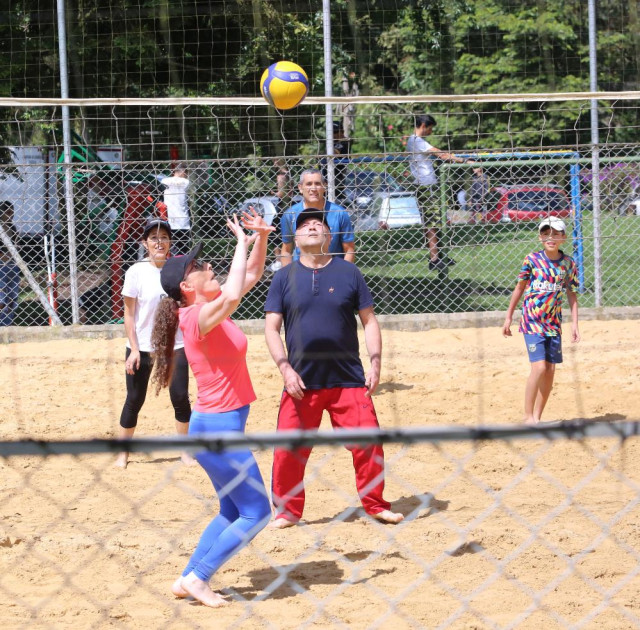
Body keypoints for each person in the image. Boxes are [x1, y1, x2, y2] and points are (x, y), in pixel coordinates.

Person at [150, 210, 273, 607]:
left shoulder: (208, 307)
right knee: (257, 512)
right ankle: (201, 578)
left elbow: (248, 278)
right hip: (219, 428)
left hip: (215, 424)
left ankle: (187, 576)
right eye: (200, 267)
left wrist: (260, 237)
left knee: (231, 508)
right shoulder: (194, 317)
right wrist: (240, 242)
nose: (209, 266)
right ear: (187, 285)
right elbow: (236, 292)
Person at [264, 208, 404, 528]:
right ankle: (287, 511)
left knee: (369, 441)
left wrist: (376, 361)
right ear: (295, 240)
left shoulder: (348, 272)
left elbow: (369, 321)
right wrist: (285, 369)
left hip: (348, 378)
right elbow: (271, 328)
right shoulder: (284, 276)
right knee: (289, 448)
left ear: (330, 237)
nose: (312, 227)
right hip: (301, 380)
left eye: (319, 224)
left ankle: (375, 504)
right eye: (304, 225)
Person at [115, 217, 192, 469]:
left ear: (170, 241)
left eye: (164, 237)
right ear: (145, 243)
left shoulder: (179, 268)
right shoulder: (136, 271)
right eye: (154, 238)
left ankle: (185, 452)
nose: (160, 242)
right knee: (135, 398)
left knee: (180, 396)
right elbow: (129, 314)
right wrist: (134, 349)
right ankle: (123, 453)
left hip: (175, 344)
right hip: (143, 345)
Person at [502, 216, 580, 425]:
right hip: (532, 321)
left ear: (563, 237)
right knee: (538, 368)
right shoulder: (532, 260)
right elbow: (519, 287)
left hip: (553, 324)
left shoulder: (568, 263)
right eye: (546, 233)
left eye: (555, 233)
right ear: (540, 237)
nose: (550, 237)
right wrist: (509, 316)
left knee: (550, 369)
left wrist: (574, 324)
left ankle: (537, 416)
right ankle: (528, 417)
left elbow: (572, 294)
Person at [407, 114, 475, 271]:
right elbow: (442, 154)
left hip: (427, 186)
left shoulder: (415, 141)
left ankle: (437, 255)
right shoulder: (417, 141)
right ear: (423, 125)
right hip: (426, 187)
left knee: (437, 220)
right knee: (432, 221)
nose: (431, 132)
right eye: (430, 128)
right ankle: (435, 258)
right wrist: (465, 161)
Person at [279, 168, 355, 267]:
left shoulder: (339, 213)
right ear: (300, 188)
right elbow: (286, 251)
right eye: (309, 184)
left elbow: (349, 249)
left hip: (333, 270)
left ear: (325, 186)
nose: (313, 188)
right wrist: (288, 277)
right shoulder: (290, 215)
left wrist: (343, 275)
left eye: (318, 184)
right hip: (301, 273)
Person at [161, 164, 191, 255]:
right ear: (184, 172)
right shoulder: (186, 182)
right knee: (184, 249)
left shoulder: (164, 181)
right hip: (183, 221)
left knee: (171, 248)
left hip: (169, 219)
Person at [0, 202, 20, 326]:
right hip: (1, 264)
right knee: (1, 294)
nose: (11, 215)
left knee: (12, 295)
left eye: (12, 211)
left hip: (12, 263)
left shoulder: (12, 227)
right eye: (7, 212)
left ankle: (8, 321)